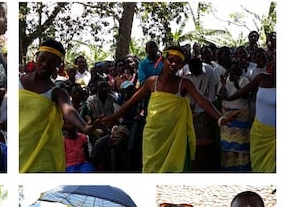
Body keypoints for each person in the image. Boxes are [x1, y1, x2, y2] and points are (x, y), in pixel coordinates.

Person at [103, 45, 239, 172]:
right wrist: (113, 117)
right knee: (151, 170)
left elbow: (202, 101)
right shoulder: (151, 82)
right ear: (163, 60)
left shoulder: (184, 83)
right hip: (153, 136)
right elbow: (131, 102)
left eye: (178, 62)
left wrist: (221, 119)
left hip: (174, 137)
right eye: (171, 60)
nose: (174, 64)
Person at [19, 39, 103, 172]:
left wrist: (84, 127)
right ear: (36, 58)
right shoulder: (16, 82)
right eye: (42, 59)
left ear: (58, 65)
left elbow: (69, 111)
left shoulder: (57, 92)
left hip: (42, 153)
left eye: (52, 62)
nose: (45, 64)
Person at [222, 55, 275, 172]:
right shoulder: (261, 78)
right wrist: (228, 97)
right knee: (259, 165)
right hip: (259, 131)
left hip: (276, 135)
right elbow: (243, 92)